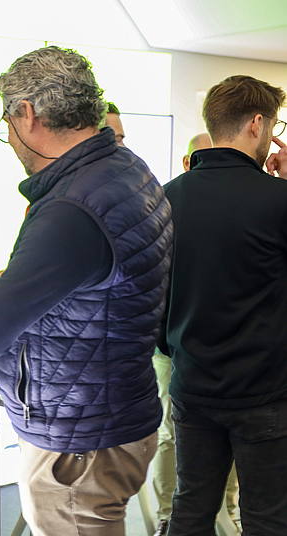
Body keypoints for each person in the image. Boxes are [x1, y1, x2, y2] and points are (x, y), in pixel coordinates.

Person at [0, 46, 172, 536]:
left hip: (79, 444)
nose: (10, 139)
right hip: (113, 414)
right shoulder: (126, 168)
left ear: (28, 114)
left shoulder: (73, 208)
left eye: (7, 124)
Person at [160, 74, 287, 536]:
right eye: (274, 125)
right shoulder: (278, 199)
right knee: (267, 518)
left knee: (190, 508)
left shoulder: (168, 196)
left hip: (191, 384)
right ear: (256, 124)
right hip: (264, 393)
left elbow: (156, 291)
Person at [152, 131, 241, 536]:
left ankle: (229, 510)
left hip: (222, 347)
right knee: (171, 434)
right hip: (172, 345)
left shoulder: (237, 203)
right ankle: (167, 515)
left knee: (233, 434)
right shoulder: (165, 202)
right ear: (188, 162)